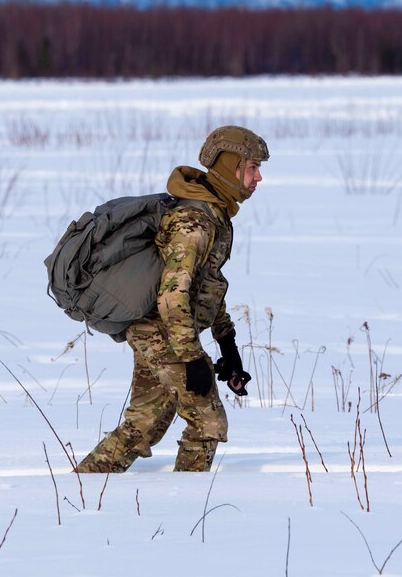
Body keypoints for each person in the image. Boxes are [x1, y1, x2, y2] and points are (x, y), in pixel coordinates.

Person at [75, 126, 267, 473]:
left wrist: (227, 344)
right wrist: (192, 357)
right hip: (162, 330)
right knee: (208, 422)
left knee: (143, 424)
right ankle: (189, 505)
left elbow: (206, 284)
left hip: (158, 330)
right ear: (230, 166)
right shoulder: (194, 221)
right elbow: (172, 295)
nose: (259, 177)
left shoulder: (215, 214)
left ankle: (83, 485)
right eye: (252, 167)